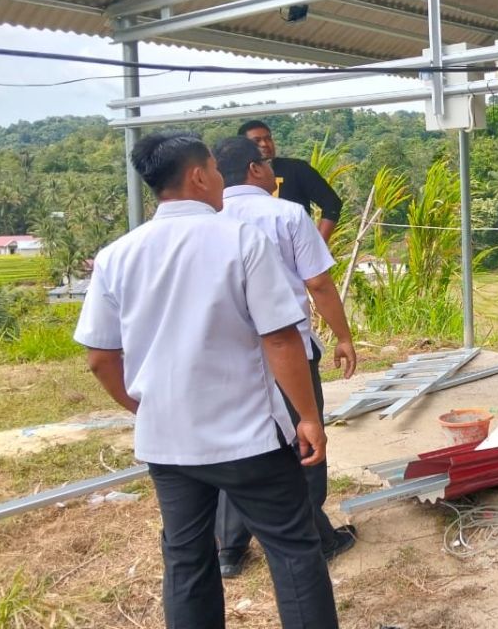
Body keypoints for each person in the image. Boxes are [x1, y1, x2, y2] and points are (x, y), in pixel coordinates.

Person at [73, 132, 339, 628]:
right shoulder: (241, 240)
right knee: (293, 549)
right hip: (248, 435)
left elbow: (100, 357)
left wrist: (140, 407)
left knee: (186, 558)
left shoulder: (118, 255)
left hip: (168, 442)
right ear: (198, 176)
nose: (221, 181)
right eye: (216, 171)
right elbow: (280, 340)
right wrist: (307, 417)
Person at [211, 136, 359, 577]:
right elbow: (318, 284)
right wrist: (344, 336)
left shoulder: (208, 221)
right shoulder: (286, 214)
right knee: (305, 441)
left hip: (230, 356)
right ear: (256, 171)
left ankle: (229, 549)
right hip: (287, 349)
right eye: (266, 163)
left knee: (238, 444)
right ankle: (318, 539)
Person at [238, 120, 343, 243]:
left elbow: (332, 204)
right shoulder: (236, 176)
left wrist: (318, 247)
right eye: (257, 141)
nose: (265, 144)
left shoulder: (296, 168)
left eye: (268, 139)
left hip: (295, 253)